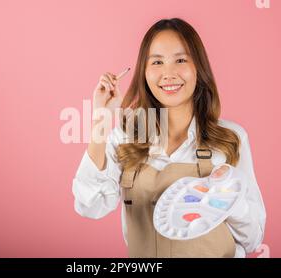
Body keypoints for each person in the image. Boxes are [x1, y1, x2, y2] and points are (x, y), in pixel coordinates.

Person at [72, 18, 266, 258]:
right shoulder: (125, 138)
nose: (169, 73)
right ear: (144, 72)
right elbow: (90, 205)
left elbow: (253, 238)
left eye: (181, 60)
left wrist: (225, 196)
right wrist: (101, 118)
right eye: (157, 62)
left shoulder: (230, 139)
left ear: (199, 68)